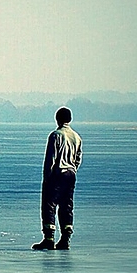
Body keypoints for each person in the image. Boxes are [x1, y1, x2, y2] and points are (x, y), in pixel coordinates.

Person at [33, 107, 83, 251]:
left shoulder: (55, 135)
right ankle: (65, 239)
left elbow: (50, 159)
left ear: (57, 119)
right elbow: (78, 158)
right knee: (67, 206)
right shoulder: (77, 137)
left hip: (57, 174)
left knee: (49, 205)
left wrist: (46, 177)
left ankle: (49, 239)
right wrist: (72, 169)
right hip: (71, 175)